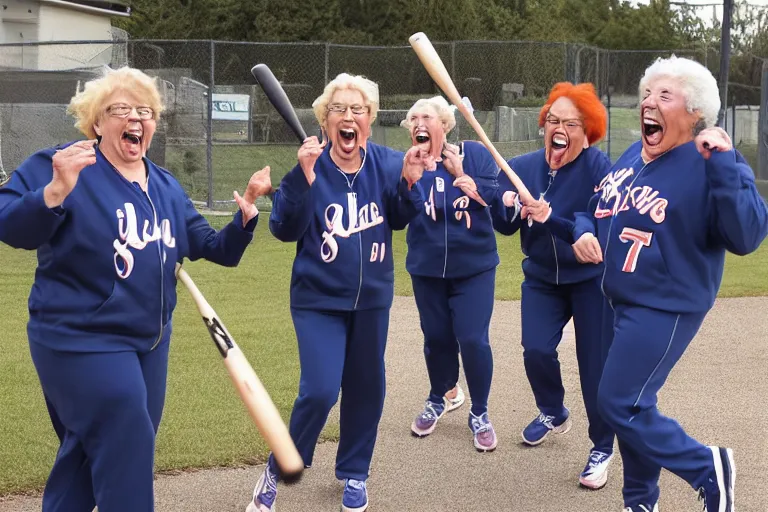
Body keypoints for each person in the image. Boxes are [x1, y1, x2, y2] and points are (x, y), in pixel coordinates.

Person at [0, 66, 270, 512]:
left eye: (145, 111)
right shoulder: (66, 163)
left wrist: (244, 219)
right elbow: (9, 222)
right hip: (79, 338)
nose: (135, 118)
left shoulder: (164, 186)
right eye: (120, 109)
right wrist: (53, 191)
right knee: (127, 434)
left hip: (149, 343)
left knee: (94, 453)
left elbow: (209, 246)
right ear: (97, 122)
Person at [535, 56, 768, 512]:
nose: (649, 102)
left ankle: (707, 467)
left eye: (665, 95)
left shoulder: (711, 157)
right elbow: (596, 207)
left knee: (618, 402)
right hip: (621, 301)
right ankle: (640, 500)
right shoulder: (632, 157)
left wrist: (724, 163)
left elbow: (748, 235)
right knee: (636, 405)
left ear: (695, 111)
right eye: (647, 94)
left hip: (666, 302)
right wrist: (578, 228)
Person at [246, 73, 426, 512]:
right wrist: (304, 179)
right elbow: (283, 229)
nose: (348, 117)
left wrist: (408, 183)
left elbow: (400, 219)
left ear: (369, 119)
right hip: (317, 300)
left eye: (358, 110)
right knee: (321, 390)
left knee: (367, 388)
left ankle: (355, 473)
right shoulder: (308, 166)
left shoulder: (385, 162)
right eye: (338, 110)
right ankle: (281, 465)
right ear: (325, 121)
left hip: (372, 300)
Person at [491, 82, 617, 489]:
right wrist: (507, 203)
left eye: (570, 122)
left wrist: (567, 226)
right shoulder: (523, 167)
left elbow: (591, 220)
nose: (558, 128)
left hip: (590, 282)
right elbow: (503, 224)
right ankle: (553, 410)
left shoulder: (601, 168)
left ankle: (602, 444)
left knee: (594, 366)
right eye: (553, 120)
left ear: (587, 131)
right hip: (542, 278)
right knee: (536, 350)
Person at [401, 95, 500, 452]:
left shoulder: (473, 153)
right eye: (413, 120)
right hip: (427, 269)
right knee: (437, 338)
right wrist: (408, 181)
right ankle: (440, 395)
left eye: (426, 117)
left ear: (444, 124)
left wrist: (463, 175)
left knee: (473, 339)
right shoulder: (408, 163)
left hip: (473, 267)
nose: (418, 124)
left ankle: (481, 412)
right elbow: (396, 209)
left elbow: (495, 198)